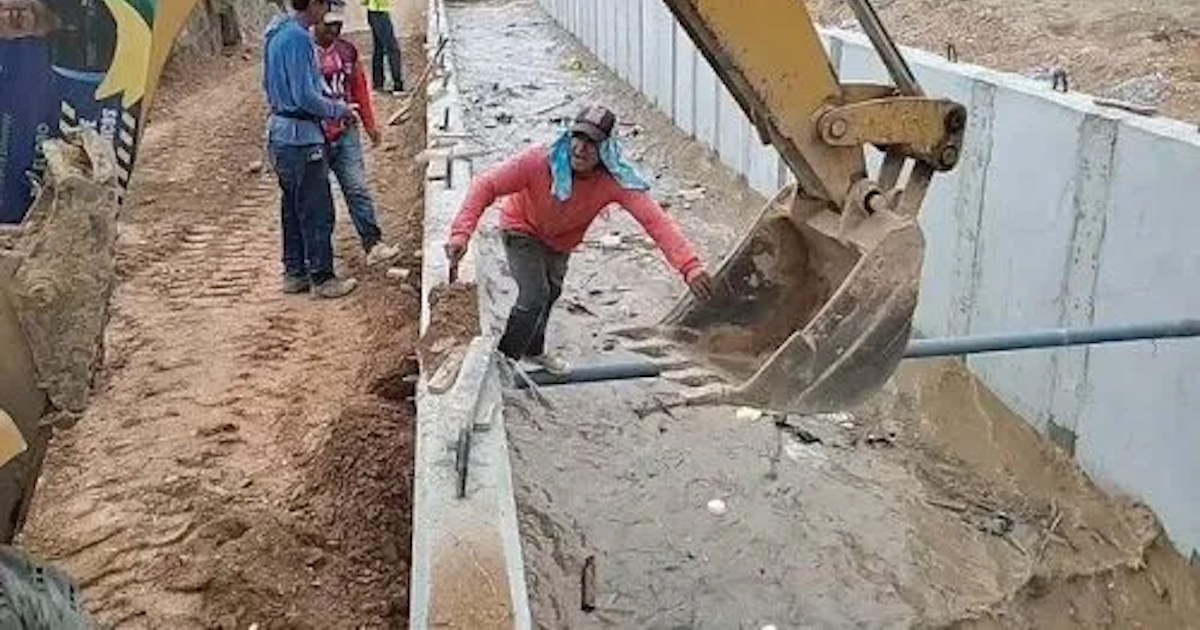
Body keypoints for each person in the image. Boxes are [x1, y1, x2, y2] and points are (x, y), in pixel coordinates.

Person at [444, 105, 715, 374]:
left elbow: (655, 221)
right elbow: (486, 186)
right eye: (579, 138)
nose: (581, 149)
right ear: (569, 136)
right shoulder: (538, 162)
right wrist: (461, 233)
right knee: (534, 295)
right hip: (521, 227)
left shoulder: (613, 180)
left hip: (561, 241)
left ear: (606, 149)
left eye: (592, 143)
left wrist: (689, 266)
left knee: (551, 293)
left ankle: (533, 351)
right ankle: (504, 362)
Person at [263, 0, 358, 298]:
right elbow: (306, 95)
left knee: (291, 206)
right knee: (317, 209)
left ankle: (295, 272)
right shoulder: (300, 38)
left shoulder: (275, 33)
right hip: (302, 136)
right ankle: (322, 276)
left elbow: (268, 84)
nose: (326, 12)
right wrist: (338, 109)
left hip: (280, 133)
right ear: (313, 4)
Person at [314, 10, 401, 266]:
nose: (334, 31)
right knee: (319, 198)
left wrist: (370, 125)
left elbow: (359, 89)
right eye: (329, 26)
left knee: (357, 188)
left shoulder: (347, 52)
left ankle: (372, 243)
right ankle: (319, 257)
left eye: (339, 25)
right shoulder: (305, 54)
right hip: (316, 133)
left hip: (346, 129)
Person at [362, 0, 405, 94]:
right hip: (379, 12)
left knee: (379, 48)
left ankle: (378, 83)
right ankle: (397, 85)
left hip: (374, 11)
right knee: (392, 49)